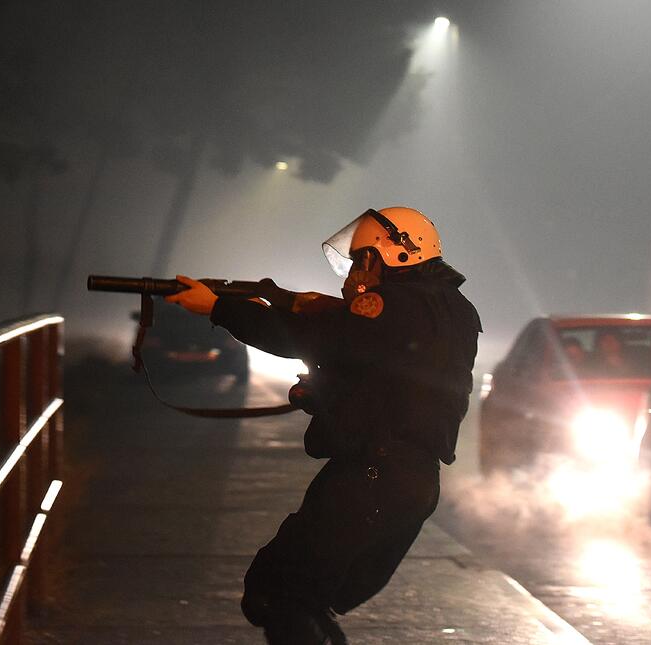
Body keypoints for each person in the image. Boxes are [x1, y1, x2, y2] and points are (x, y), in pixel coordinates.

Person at [166, 207, 481, 644]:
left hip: (372, 475)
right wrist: (325, 386)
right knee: (303, 600)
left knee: (280, 596)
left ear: (397, 253)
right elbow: (381, 369)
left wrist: (220, 307)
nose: (356, 271)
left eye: (364, 258)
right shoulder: (453, 311)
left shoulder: (392, 306)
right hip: (410, 480)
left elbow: (309, 337)